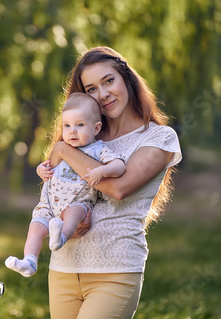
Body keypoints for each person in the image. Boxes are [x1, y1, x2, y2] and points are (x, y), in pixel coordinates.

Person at [37, 46, 182, 319]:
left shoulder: (158, 138)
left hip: (115, 269)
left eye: (108, 81)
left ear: (126, 78)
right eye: (91, 89)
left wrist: (65, 151)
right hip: (64, 267)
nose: (102, 95)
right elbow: (55, 192)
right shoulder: (80, 134)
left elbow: (118, 188)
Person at [5, 93, 126, 278]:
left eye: (80, 125)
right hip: (49, 205)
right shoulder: (61, 147)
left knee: (74, 213)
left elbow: (119, 166)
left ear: (96, 128)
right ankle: (29, 261)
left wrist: (102, 171)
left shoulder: (98, 150)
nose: (72, 131)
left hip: (78, 201)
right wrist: (40, 170)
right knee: (35, 228)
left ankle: (60, 238)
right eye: (67, 125)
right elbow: (47, 166)